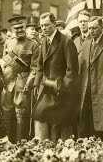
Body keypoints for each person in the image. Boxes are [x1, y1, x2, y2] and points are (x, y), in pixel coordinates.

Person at [32, 12, 78, 141]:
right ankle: (43, 149)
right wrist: (36, 84)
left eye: (47, 25)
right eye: (41, 26)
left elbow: (72, 70)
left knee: (59, 125)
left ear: (54, 23)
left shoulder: (65, 41)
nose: (44, 28)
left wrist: (63, 88)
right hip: (46, 88)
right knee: (39, 115)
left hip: (61, 91)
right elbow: (39, 66)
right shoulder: (44, 42)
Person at [1, 15, 40, 142]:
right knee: (7, 113)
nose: (19, 30)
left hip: (23, 84)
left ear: (25, 27)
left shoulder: (33, 45)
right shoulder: (8, 43)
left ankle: (20, 143)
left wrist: (28, 84)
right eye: (16, 28)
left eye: (21, 27)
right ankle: (8, 143)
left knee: (21, 115)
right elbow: (3, 63)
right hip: (8, 83)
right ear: (12, 29)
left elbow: (35, 68)